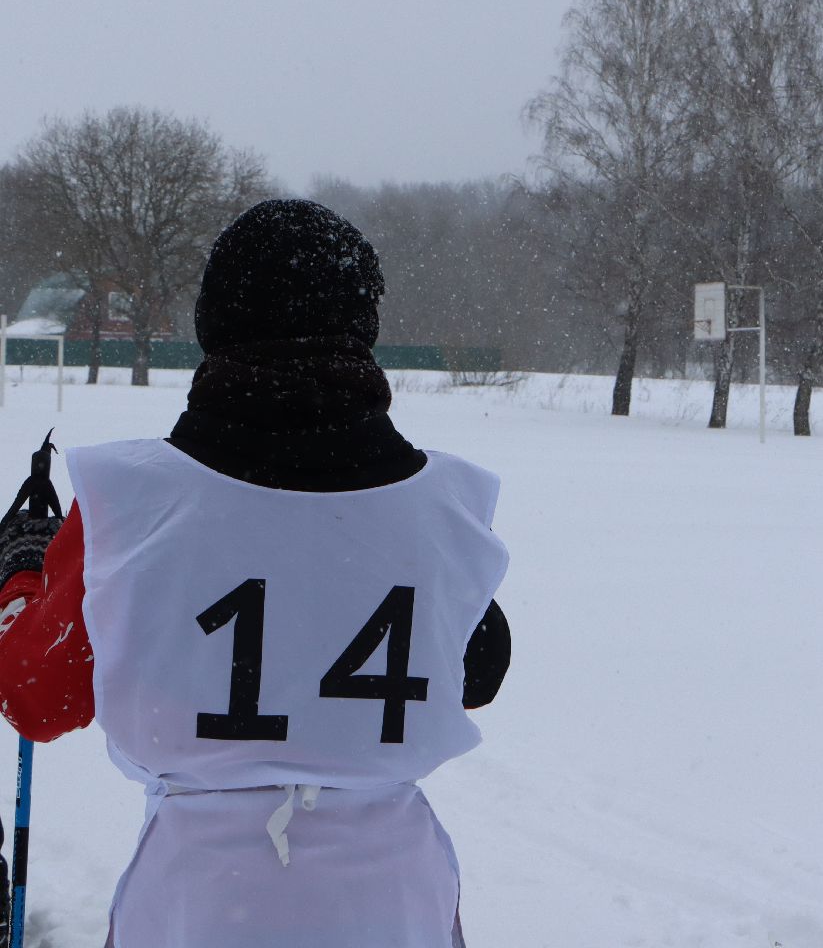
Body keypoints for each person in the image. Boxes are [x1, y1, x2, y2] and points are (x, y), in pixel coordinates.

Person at [0, 199, 512, 948]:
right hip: (395, 903)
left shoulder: (129, 505)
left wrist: (22, 576)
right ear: (363, 326)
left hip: (199, 903)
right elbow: (480, 669)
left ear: (215, 322)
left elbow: (37, 697)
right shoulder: (445, 509)